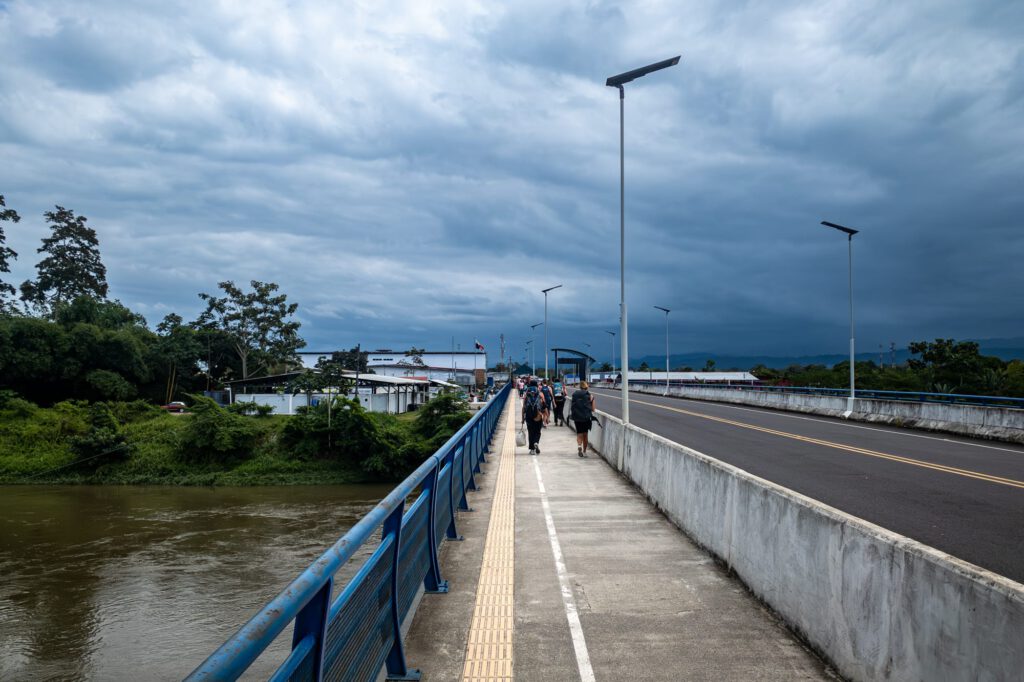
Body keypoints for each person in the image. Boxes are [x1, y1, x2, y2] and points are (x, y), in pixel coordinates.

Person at [570, 380, 596, 457]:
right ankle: (584, 451)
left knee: (579, 434)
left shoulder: (574, 394)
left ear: (580, 386)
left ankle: (579, 446)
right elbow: (593, 409)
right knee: (585, 435)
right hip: (586, 418)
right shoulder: (590, 395)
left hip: (577, 417)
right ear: (586, 387)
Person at [522, 380, 547, 454]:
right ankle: (536, 442)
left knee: (531, 432)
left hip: (528, 416)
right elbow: (544, 406)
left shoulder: (526, 394)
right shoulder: (540, 394)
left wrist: (522, 418)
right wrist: (546, 416)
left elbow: (523, 407)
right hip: (538, 415)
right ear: (537, 386)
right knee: (537, 431)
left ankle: (532, 450)